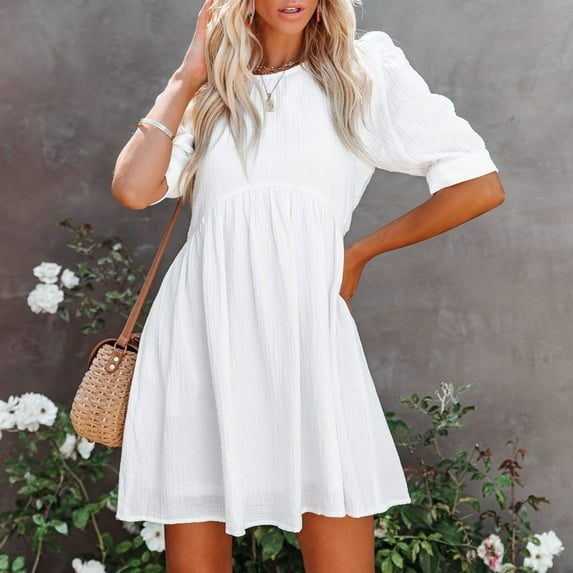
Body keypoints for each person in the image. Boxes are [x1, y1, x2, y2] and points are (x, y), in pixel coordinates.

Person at [111, 0, 505, 571]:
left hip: (307, 335)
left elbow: (479, 184)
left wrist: (360, 254)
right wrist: (186, 76)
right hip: (201, 335)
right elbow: (132, 189)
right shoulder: (212, 92)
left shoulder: (362, 74)